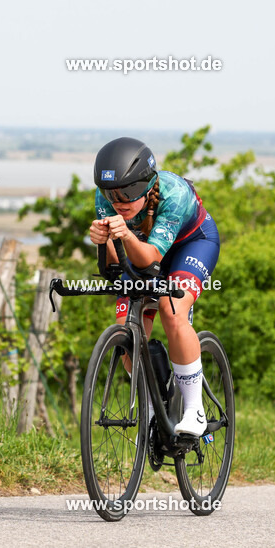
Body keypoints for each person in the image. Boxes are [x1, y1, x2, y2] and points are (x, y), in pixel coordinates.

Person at [88, 137, 220, 436]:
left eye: (126, 193)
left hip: (191, 246)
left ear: (144, 186)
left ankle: (194, 409)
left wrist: (126, 237)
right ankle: (153, 404)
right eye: (111, 194)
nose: (117, 201)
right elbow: (116, 265)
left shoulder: (173, 193)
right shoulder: (105, 199)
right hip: (142, 249)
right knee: (126, 327)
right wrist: (104, 240)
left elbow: (150, 258)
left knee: (171, 309)